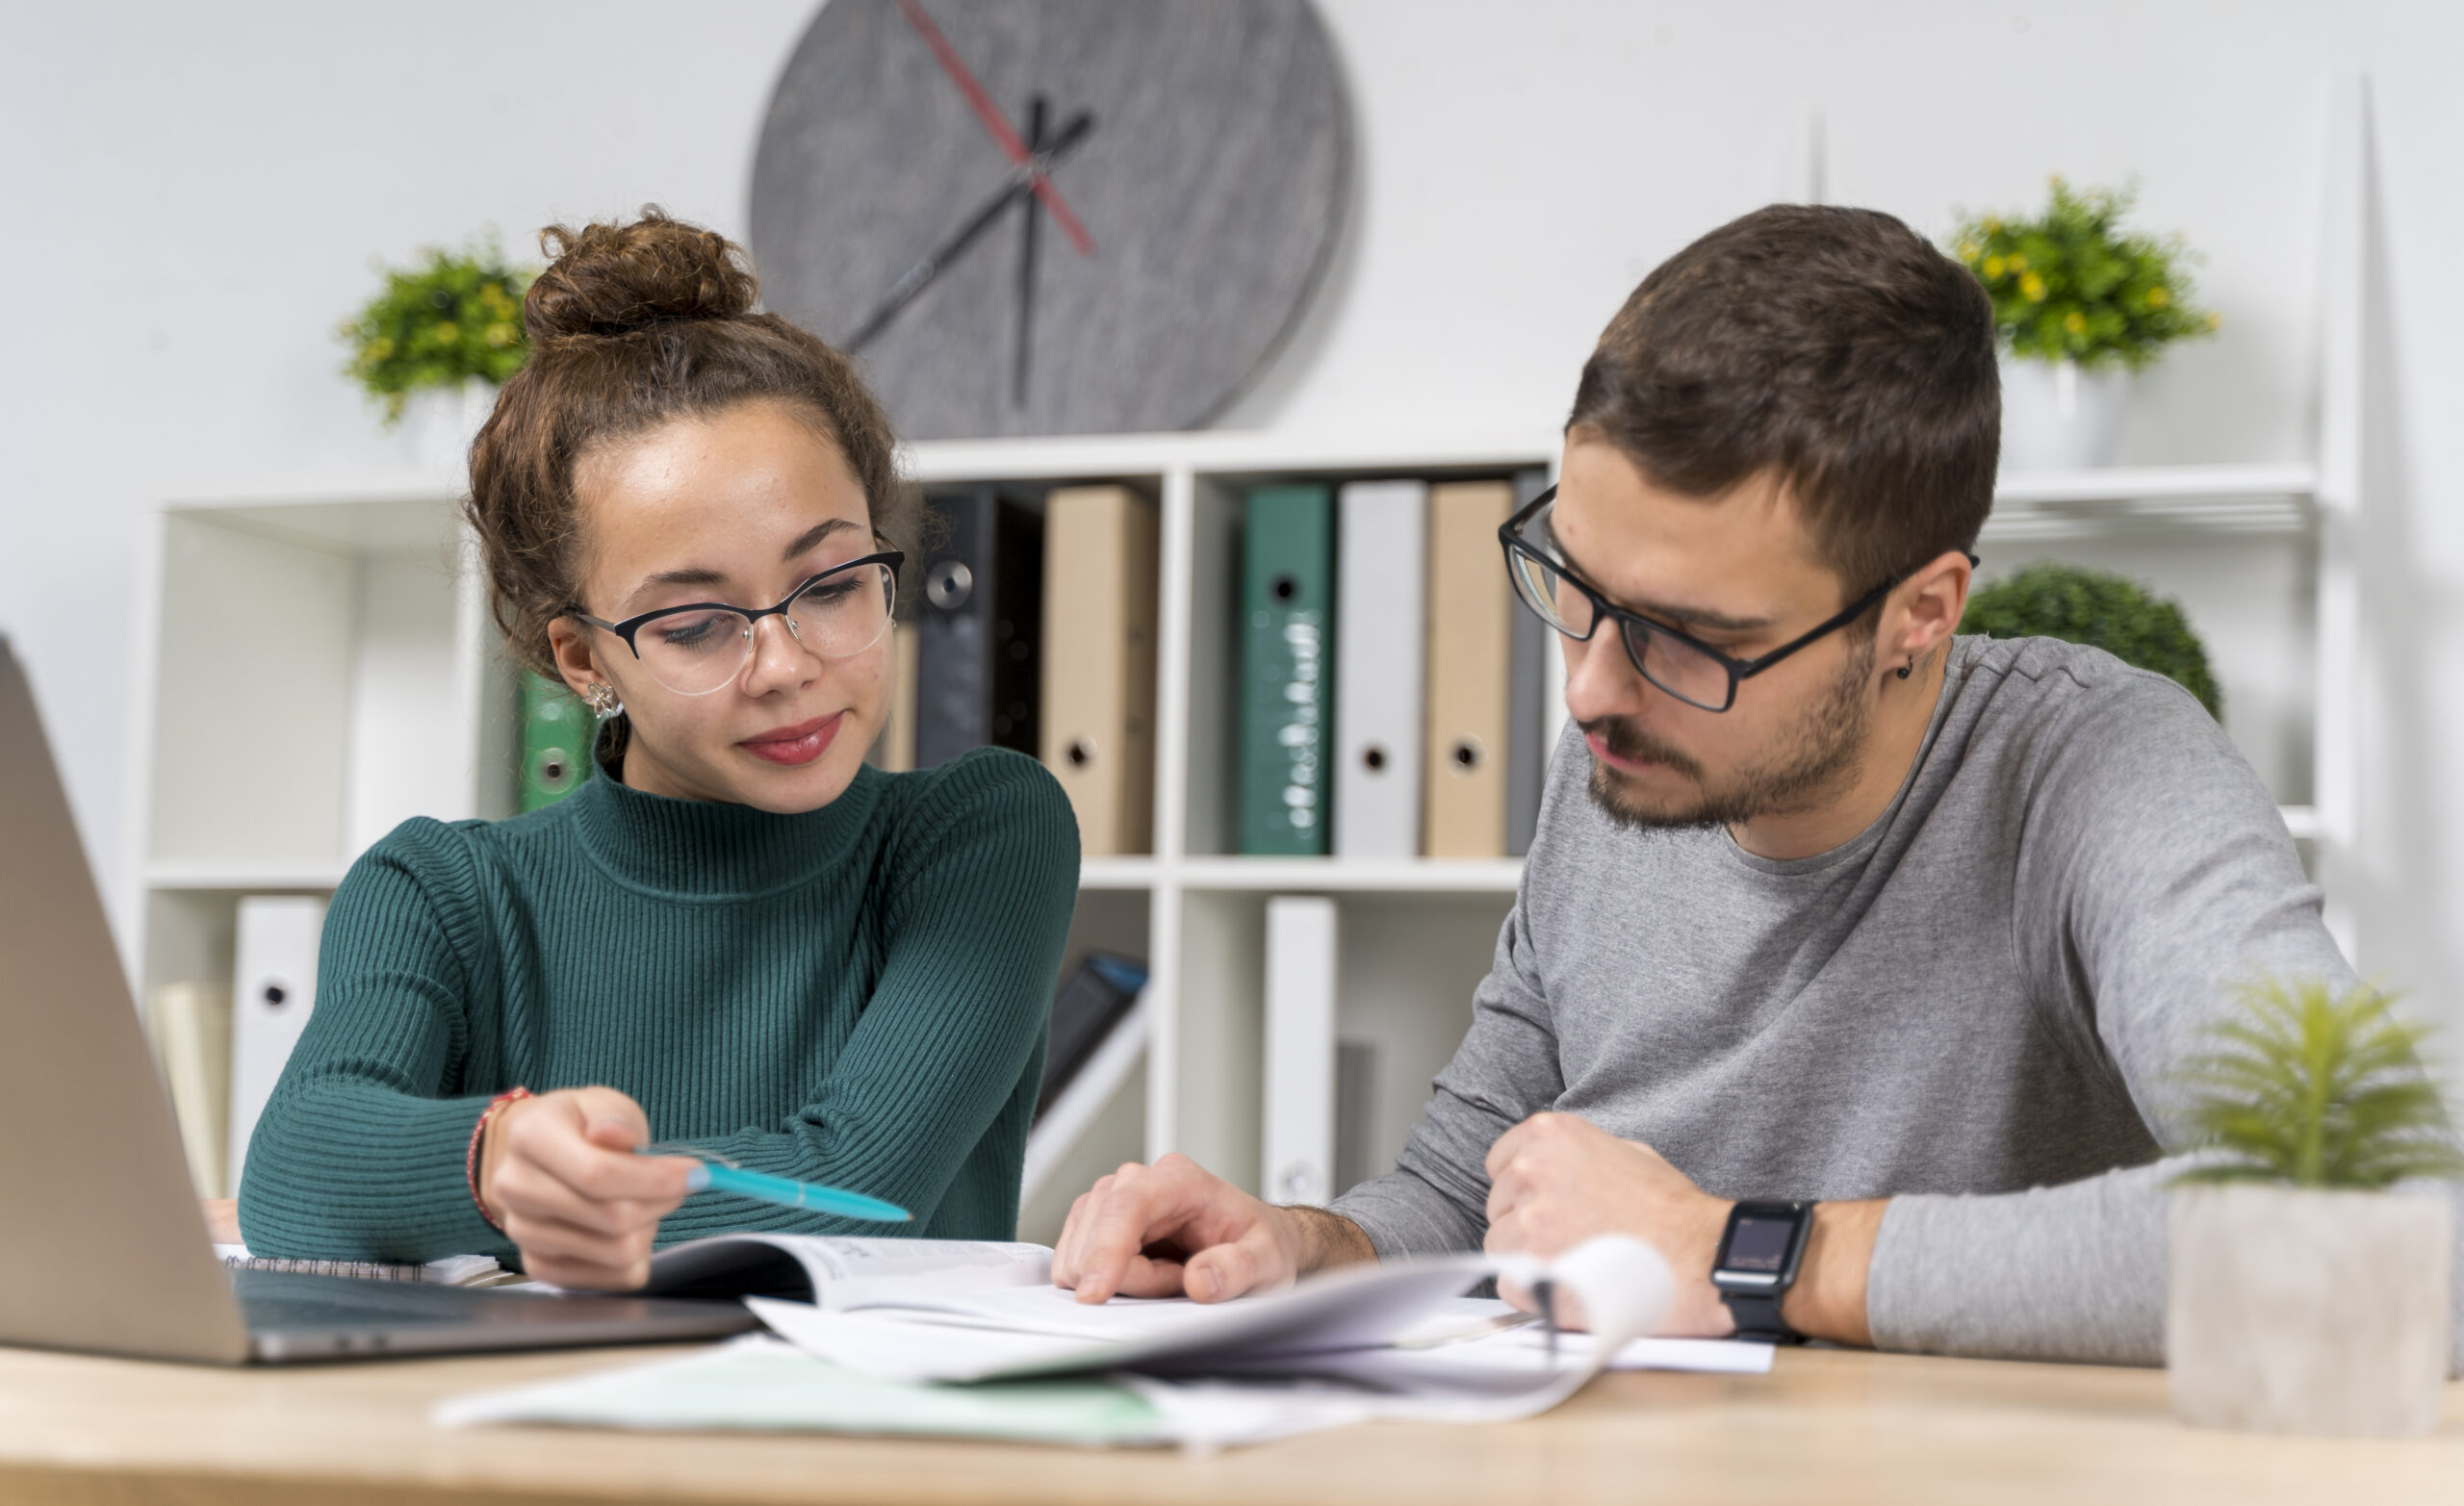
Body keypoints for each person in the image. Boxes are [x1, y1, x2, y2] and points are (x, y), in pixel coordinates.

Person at [1051, 203, 2378, 1365]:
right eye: (1573, 585)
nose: (1588, 690)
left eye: (1696, 636)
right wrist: (1294, 1244)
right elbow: (1462, 1189)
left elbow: (2364, 1224)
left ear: (1920, 612)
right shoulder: (1633, 751)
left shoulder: (2102, 771)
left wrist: (1738, 1251)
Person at [238, 211, 1079, 1289]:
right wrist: (493, 1160)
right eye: (692, 625)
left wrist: (469, 1201)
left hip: (860, 1452)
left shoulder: (977, 835)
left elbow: (859, 1185)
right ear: (583, 660)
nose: (784, 664)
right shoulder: (439, 891)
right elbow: (296, 1170)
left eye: (829, 586)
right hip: (525, 1443)